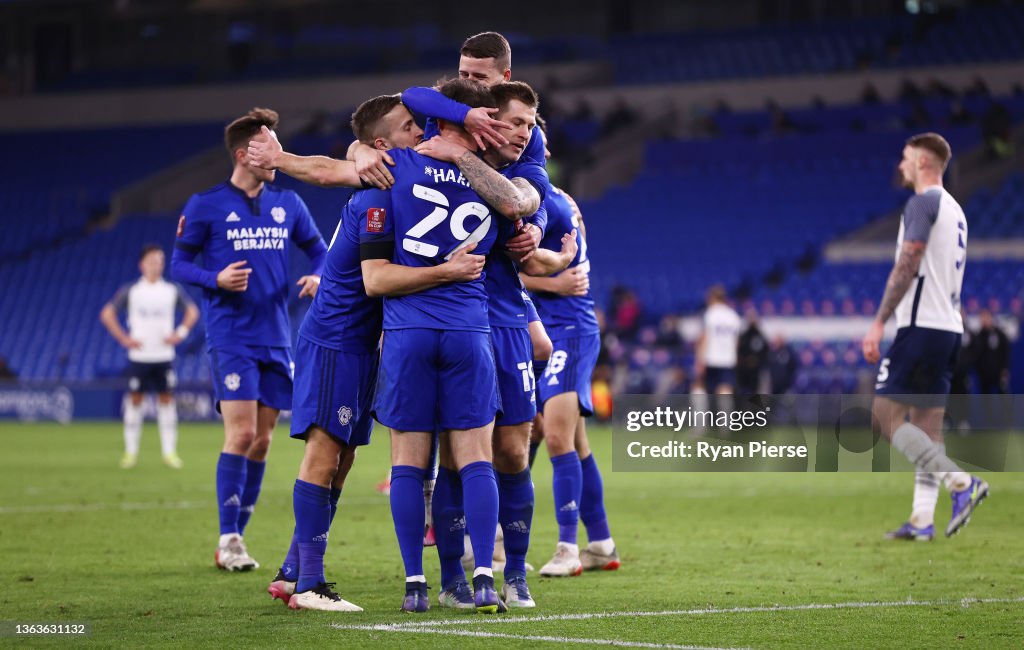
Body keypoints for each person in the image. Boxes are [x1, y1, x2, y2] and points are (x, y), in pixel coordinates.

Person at [255, 94, 495, 612]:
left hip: (363, 344)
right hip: (338, 337)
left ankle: (294, 570)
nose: (421, 132)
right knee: (324, 455)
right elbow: (373, 278)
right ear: (382, 145)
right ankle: (310, 586)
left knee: (341, 461)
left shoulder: (395, 182)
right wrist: (281, 160)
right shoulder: (380, 185)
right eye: (410, 127)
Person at [358, 78, 519, 614]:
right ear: (477, 122)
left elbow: (363, 152)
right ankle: (484, 580)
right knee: (475, 459)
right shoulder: (493, 182)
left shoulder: (396, 167)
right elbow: (520, 208)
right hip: (470, 330)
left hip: (407, 332)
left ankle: (414, 586)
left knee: (408, 463)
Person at [415, 81, 577, 609]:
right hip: (448, 315)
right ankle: (451, 577)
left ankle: (515, 572)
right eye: (517, 123)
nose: (525, 134)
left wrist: (537, 240)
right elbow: (410, 96)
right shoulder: (436, 136)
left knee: (511, 450)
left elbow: (531, 207)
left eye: (531, 125)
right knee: (457, 456)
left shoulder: (523, 158)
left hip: (505, 316)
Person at [170, 107, 328, 572]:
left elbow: (320, 253)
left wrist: (318, 277)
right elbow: (180, 264)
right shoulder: (205, 204)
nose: (276, 155)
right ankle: (229, 537)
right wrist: (214, 277)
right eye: (268, 146)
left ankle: (239, 531)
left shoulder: (289, 205)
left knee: (262, 441)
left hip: (277, 337)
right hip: (231, 334)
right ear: (244, 153)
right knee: (240, 434)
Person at [861, 132, 988, 542]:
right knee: (927, 431)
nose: (900, 165)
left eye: (905, 157)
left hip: (922, 326)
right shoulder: (956, 211)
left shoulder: (923, 202)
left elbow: (909, 260)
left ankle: (961, 484)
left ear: (922, 162)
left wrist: (880, 320)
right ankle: (921, 520)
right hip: (950, 328)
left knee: (884, 416)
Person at [522, 126, 618, 578]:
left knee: (554, 436)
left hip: (568, 331)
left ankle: (567, 547)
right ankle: (600, 542)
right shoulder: (541, 198)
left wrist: (546, 282)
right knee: (575, 443)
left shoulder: (548, 203)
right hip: (542, 330)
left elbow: (564, 278)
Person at [99, 243, 199, 470]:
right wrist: (124, 339)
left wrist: (180, 333)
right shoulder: (131, 291)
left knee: (166, 402)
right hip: (139, 357)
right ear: (142, 264)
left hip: (163, 356)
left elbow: (193, 312)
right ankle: (130, 452)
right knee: (135, 401)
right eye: (152, 261)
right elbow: (107, 313)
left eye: (160, 261)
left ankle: (170, 452)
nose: (157, 265)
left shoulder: (171, 290)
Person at [972, 309, 1011, 394]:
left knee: (1003, 395)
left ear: (991, 318)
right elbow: (976, 355)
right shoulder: (979, 336)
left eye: (986, 317)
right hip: (984, 374)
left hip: (999, 372)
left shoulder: (999, 334)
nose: (984, 320)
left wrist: (1004, 369)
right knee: (985, 397)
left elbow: (1005, 351)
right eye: (982, 318)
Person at [737, 309, 768, 395]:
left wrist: (756, 361)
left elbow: (765, 352)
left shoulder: (760, 336)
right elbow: (739, 351)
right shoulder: (743, 336)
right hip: (743, 371)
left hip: (756, 372)